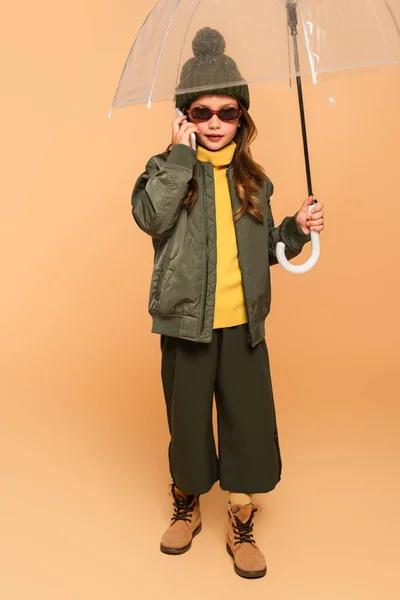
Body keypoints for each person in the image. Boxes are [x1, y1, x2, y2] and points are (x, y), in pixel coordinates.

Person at [131, 27, 324, 579]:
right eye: (201, 112)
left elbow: (267, 250)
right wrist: (176, 156)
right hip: (186, 325)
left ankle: (241, 516)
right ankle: (187, 502)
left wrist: (296, 228)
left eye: (227, 111)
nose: (214, 122)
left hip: (244, 328)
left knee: (248, 423)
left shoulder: (253, 182)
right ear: (184, 117)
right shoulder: (167, 172)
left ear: (242, 116)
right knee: (188, 423)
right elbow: (150, 218)